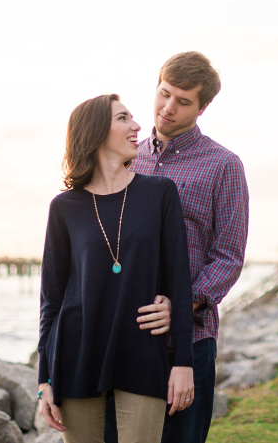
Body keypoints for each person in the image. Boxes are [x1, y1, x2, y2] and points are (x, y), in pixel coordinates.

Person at [105, 51, 250, 443]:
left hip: (188, 344)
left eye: (183, 101)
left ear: (202, 107)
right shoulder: (126, 157)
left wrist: (181, 306)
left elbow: (229, 257)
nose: (168, 108)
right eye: (164, 94)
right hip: (125, 338)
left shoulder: (224, 166)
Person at [37, 94, 195, 443]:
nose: (137, 126)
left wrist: (183, 362)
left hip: (142, 350)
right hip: (75, 354)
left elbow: (179, 283)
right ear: (94, 133)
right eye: (123, 118)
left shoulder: (159, 193)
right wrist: (44, 380)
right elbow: (52, 299)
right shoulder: (64, 207)